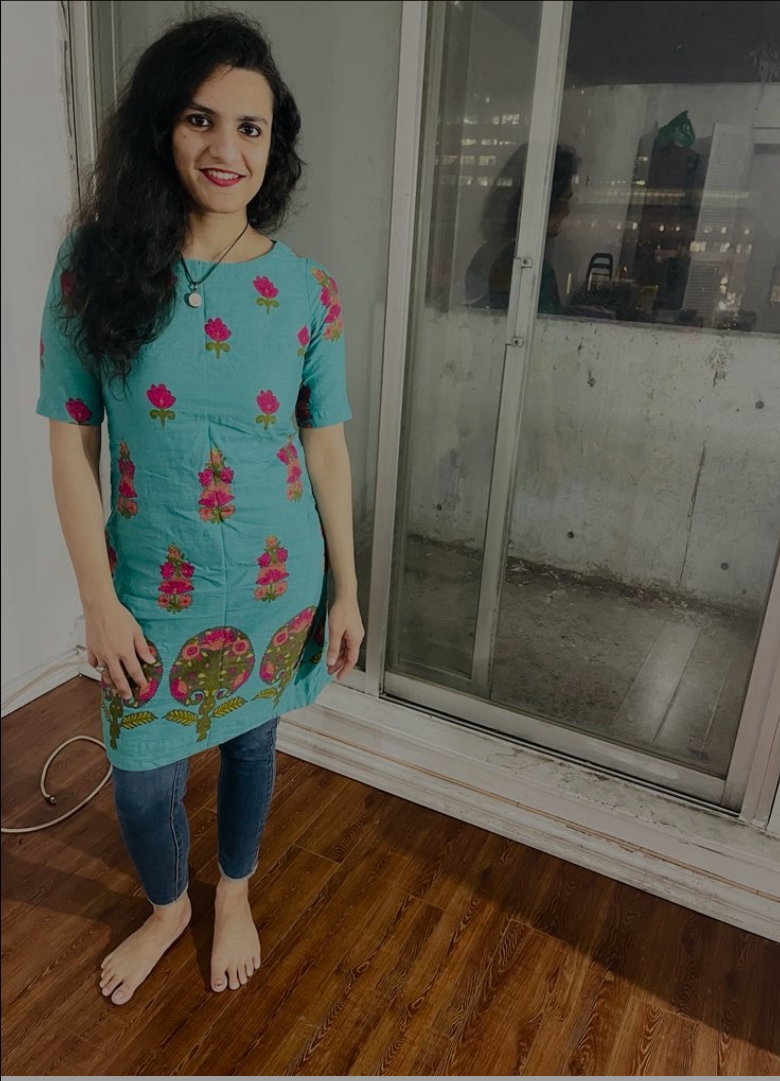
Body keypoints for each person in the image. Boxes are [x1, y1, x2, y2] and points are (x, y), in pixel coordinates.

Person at [37, 12, 363, 1005]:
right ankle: (169, 904)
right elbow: (71, 441)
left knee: (253, 742)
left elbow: (325, 446)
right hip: (149, 587)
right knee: (143, 777)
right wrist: (97, 599)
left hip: (277, 582)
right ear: (161, 127)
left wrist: (348, 589)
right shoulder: (95, 267)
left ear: (274, 145)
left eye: (250, 127)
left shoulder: (309, 291)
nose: (227, 148)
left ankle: (233, 892)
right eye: (199, 119)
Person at [464, 143, 578, 312]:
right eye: (564, 199)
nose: (567, 212)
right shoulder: (531, 268)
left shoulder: (486, 255)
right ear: (545, 201)